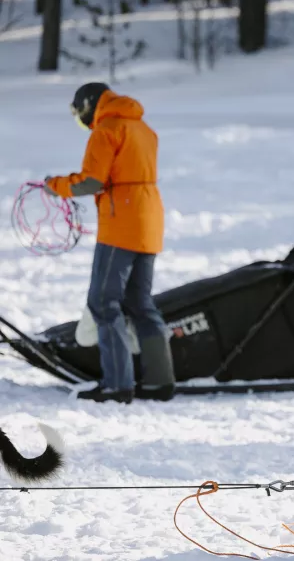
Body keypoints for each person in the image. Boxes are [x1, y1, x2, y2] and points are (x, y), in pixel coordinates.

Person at [44, 82, 175, 404]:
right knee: (140, 302)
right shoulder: (143, 128)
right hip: (149, 220)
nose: (81, 119)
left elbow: (91, 181)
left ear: (90, 104)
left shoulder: (107, 130)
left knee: (104, 302)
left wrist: (55, 186)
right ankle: (160, 382)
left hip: (121, 225)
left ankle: (117, 385)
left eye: (79, 111)